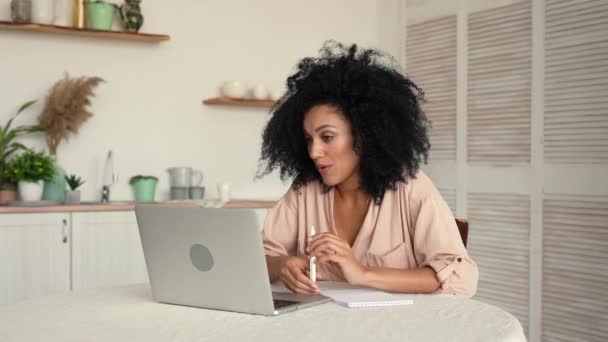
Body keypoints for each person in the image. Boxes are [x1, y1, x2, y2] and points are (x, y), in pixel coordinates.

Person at [257, 41, 478, 298]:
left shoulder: (410, 187)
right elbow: (260, 257)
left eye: (326, 137)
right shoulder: (305, 189)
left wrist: (362, 273)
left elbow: (461, 279)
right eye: (309, 139)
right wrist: (281, 265)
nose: (314, 152)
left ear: (364, 134)